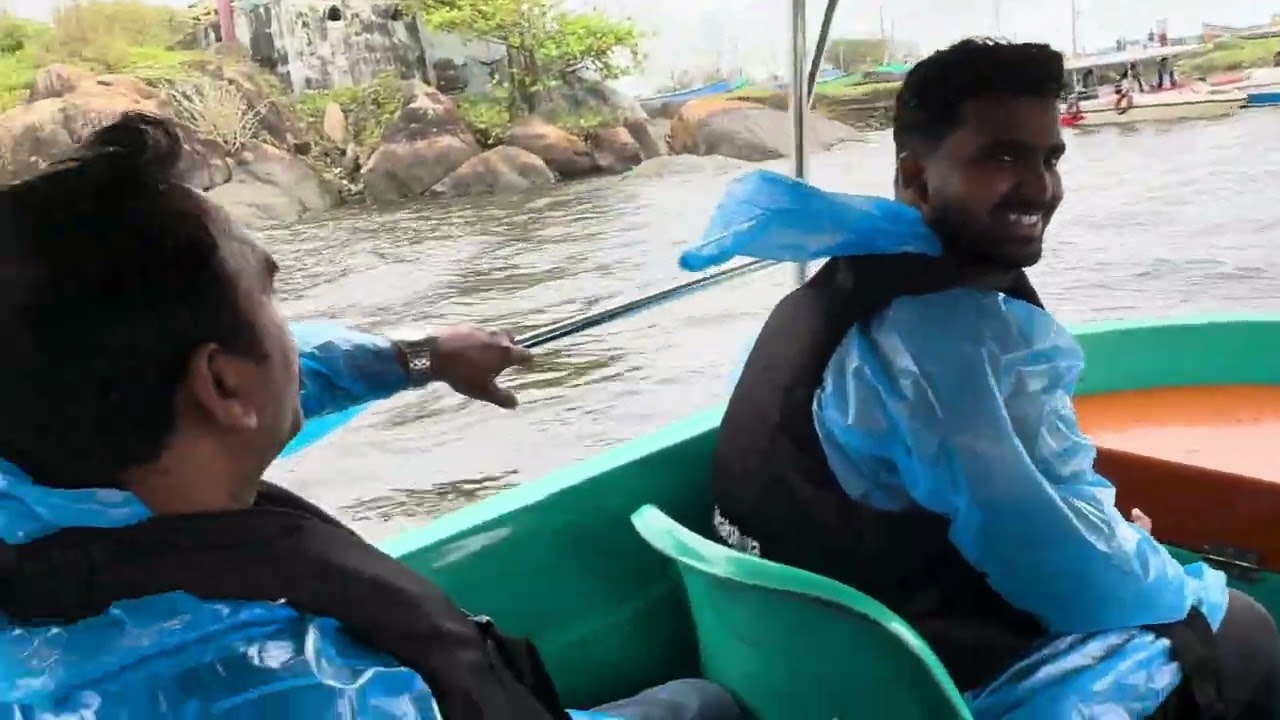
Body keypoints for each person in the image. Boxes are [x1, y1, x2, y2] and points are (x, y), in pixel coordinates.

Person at [0, 112, 744, 720]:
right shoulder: (300, 692)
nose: (292, 330)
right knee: (708, 703)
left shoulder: (35, 468)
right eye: (272, 298)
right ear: (223, 386)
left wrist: (421, 358)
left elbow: (298, 370)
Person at [697, 38, 1280, 718]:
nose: (1040, 187)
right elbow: (1060, 566)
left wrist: (1106, 539)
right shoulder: (943, 339)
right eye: (1002, 157)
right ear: (915, 180)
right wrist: (1140, 557)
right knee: (1241, 628)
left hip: (807, 663)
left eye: (1049, 157)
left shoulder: (831, 293)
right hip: (918, 680)